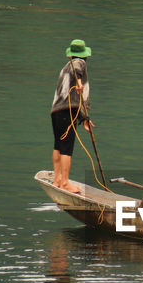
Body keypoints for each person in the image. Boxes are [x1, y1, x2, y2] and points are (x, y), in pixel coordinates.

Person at [51, 39, 94, 193]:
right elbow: (78, 71)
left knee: (58, 145)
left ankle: (57, 180)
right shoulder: (78, 63)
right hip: (67, 112)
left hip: (56, 111)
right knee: (67, 148)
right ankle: (65, 183)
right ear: (83, 55)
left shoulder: (64, 69)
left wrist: (84, 119)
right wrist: (80, 82)